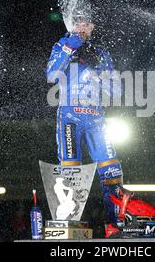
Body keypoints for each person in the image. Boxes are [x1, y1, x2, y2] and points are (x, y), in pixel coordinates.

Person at [46, 13, 123, 238]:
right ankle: (70, 226)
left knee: (111, 170)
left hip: (96, 118)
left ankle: (114, 225)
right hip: (70, 117)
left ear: (92, 27)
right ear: (71, 24)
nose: (82, 27)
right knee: (71, 171)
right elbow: (51, 75)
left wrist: (102, 75)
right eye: (78, 23)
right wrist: (70, 47)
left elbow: (116, 92)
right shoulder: (62, 45)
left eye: (86, 24)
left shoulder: (100, 53)